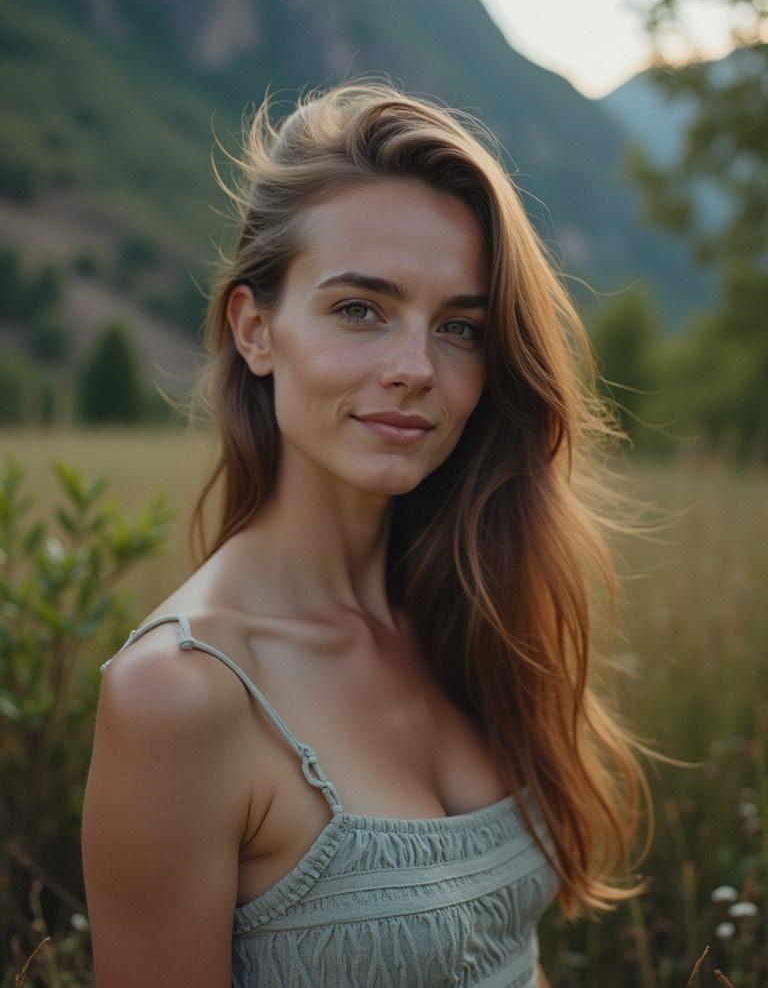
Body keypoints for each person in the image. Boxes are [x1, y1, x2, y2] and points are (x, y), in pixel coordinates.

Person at [81, 78, 651, 987]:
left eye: (460, 327)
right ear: (257, 330)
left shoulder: (470, 618)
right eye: (361, 310)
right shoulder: (183, 695)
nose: (416, 369)